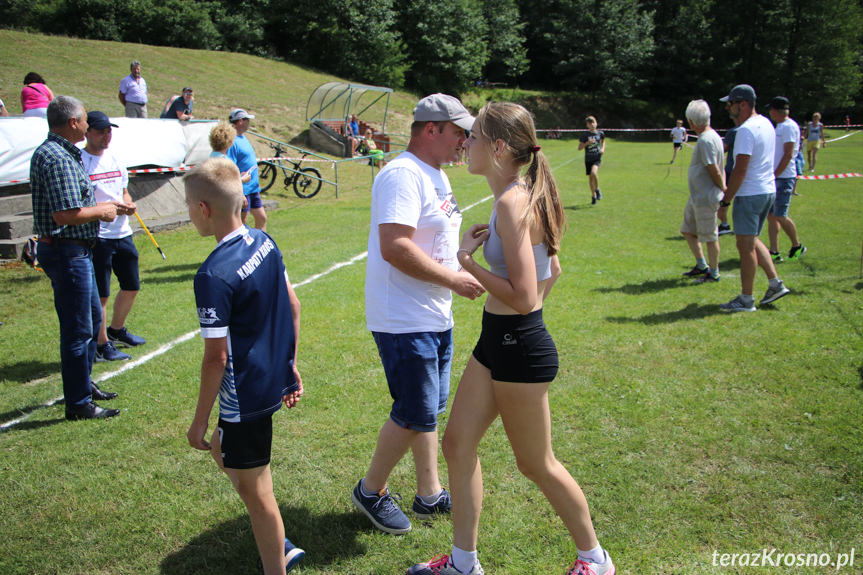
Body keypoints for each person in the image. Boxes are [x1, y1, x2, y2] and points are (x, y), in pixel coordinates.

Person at [408, 102, 614, 575]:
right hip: (497, 340)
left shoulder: (512, 202)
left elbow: (524, 296)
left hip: (519, 345)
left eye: (474, 138)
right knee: (457, 442)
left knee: (536, 462)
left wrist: (468, 263)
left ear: (498, 147)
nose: (466, 145)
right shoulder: (517, 196)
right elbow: (552, 270)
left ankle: (595, 560)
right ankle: (463, 564)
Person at [352, 93, 484, 536]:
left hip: (431, 314)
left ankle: (429, 493)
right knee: (415, 409)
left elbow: (427, 237)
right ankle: (371, 490)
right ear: (432, 129)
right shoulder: (402, 175)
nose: (465, 140)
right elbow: (395, 247)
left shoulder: (437, 175)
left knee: (427, 408)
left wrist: (462, 245)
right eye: (459, 131)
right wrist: (454, 281)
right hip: (404, 318)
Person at [184, 158, 305, 575]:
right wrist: (289, 364)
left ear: (203, 209)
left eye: (187, 205)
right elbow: (293, 304)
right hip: (271, 379)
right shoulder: (264, 241)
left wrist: (198, 422)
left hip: (246, 396)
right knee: (226, 451)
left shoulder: (213, 276)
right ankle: (274, 540)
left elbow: (216, 358)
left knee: (259, 496)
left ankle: (279, 556)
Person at [31, 96, 129, 420]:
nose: (88, 126)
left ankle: (83, 385)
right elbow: (64, 215)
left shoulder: (61, 153)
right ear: (73, 122)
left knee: (88, 319)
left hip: (74, 250)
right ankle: (78, 403)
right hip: (66, 250)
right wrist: (101, 211)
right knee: (77, 328)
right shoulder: (57, 157)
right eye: (85, 120)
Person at [81, 111, 147, 363]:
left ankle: (116, 330)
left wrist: (129, 205)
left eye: (109, 131)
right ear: (87, 132)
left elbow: (124, 192)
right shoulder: (80, 161)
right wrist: (104, 211)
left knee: (132, 286)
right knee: (102, 294)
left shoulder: (116, 160)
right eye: (100, 131)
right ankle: (101, 344)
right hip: (98, 236)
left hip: (122, 233)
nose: (106, 136)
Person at [717, 84, 790, 312]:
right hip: (767, 191)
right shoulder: (766, 124)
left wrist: (726, 200)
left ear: (744, 104)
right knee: (753, 239)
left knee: (745, 246)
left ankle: (746, 300)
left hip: (750, 194)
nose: (729, 109)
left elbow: (740, 169)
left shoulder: (746, 131)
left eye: (731, 104)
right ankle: (775, 283)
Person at [679, 100, 725, 284]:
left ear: (691, 121)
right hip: (697, 195)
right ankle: (702, 265)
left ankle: (713, 273)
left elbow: (713, 168)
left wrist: (723, 187)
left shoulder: (706, 139)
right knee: (687, 230)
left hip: (706, 196)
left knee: (710, 236)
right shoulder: (709, 137)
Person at [766, 96, 806, 263]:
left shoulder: (789, 126)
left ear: (775, 110)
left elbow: (789, 153)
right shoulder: (781, 126)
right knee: (772, 216)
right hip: (776, 176)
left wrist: (776, 173)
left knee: (781, 215)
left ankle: (797, 245)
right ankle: (773, 251)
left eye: (771, 110)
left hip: (784, 176)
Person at [227, 108, 266, 231]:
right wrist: (241, 193)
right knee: (241, 223)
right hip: (243, 190)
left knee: (262, 218)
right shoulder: (232, 141)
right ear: (240, 121)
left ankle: (262, 245)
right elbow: (230, 167)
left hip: (253, 189)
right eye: (247, 120)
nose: (249, 122)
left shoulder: (243, 137)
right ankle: (244, 249)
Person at [578, 116, 605, 205]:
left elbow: (603, 141)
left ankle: (597, 189)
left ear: (596, 123)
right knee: (590, 178)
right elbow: (579, 148)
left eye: (593, 122)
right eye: (590, 123)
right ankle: (593, 196)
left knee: (594, 173)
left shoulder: (600, 133)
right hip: (588, 158)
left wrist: (602, 149)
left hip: (596, 157)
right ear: (587, 125)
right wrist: (587, 143)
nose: (592, 125)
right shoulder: (585, 135)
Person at [718, 125, 736, 236]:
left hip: (732, 173)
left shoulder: (734, 131)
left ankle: (724, 224)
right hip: (750, 174)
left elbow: (722, 149)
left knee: (723, 201)